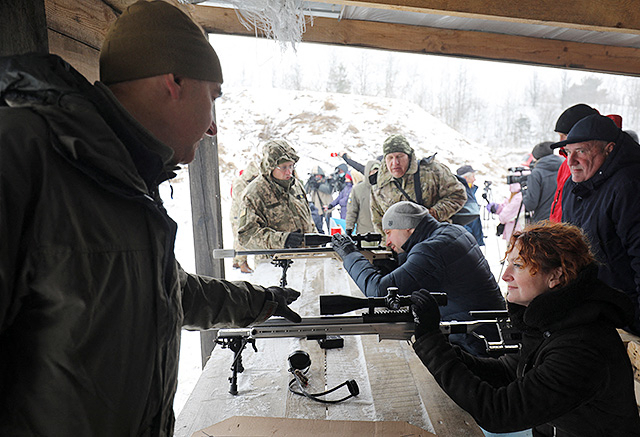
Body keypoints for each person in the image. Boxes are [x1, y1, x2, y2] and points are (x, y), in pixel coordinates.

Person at [0, 2, 302, 436]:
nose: (213, 127)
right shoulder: (22, 154)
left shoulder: (127, 179)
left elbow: (169, 292)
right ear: (174, 81)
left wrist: (260, 302)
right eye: (212, 97)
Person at [410, 222, 640, 436]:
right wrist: (441, 349)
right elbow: (509, 373)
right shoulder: (552, 320)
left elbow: (500, 413)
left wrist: (434, 347)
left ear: (556, 275)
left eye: (518, 266)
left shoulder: (581, 346)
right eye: (507, 263)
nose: (506, 275)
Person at [332, 201, 506, 355]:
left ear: (408, 228)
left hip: (474, 343)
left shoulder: (431, 249)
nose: (387, 242)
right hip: (488, 330)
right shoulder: (451, 231)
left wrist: (350, 254)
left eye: (389, 232)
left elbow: (379, 292)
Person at [552, 114, 640, 334]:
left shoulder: (629, 186)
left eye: (581, 151)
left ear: (609, 149)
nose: (571, 161)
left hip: (626, 314)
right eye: (567, 152)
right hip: (594, 310)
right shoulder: (573, 188)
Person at [370, 134, 467, 234]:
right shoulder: (379, 184)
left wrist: (433, 214)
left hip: (433, 238)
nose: (395, 162)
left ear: (408, 156)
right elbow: (378, 219)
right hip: (399, 246)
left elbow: (458, 195)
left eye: (400, 156)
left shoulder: (433, 171)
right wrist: (388, 244)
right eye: (390, 157)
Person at [237, 139, 316, 250]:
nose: (289, 172)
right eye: (284, 167)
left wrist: (317, 242)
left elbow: (309, 221)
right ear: (270, 167)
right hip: (275, 263)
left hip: (307, 258)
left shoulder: (296, 186)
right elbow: (247, 236)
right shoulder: (254, 193)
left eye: (291, 166)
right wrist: (282, 240)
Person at [549, 104, 600, 222]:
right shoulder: (565, 164)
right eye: (559, 136)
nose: (561, 141)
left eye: (565, 135)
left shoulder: (588, 165)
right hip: (561, 232)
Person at [230, 160, 260, 273]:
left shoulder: (245, 182)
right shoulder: (239, 183)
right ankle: (242, 263)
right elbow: (242, 200)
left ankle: (236, 261)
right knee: (239, 238)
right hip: (237, 215)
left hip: (241, 214)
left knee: (237, 238)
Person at [522, 142, 563, 223]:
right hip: (562, 220)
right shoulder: (564, 168)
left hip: (543, 223)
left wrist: (524, 193)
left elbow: (531, 204)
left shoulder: (537, 173)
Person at [346, 160, 380, 236]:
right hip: (364, 234)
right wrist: (349, 228)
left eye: (377, 172)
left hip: (383, 234)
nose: (375, 174)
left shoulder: (385, 189)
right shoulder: (358, 189)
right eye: (372, 172)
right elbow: (352, 211)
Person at [456, 164, 484, 246]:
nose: (474, 179)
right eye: (473, 176)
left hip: (472, 237)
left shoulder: (470, 191)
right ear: (465, 178)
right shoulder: (460, 193)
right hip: (466, 238)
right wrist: (468, 233)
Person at [304, 165, 333, 232]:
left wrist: (318, 185)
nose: (317, 177)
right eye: (315, 176)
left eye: (318, 176)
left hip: (327, 206)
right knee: (318, 226)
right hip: (317, 207)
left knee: (330, 226)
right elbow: (305, 191)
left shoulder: (326, 181)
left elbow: (328, 190)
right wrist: (309, 182)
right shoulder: (313, 182)